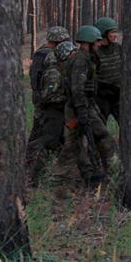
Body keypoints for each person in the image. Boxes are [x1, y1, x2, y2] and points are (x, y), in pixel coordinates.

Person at [64, 25, 119, 187]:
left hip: (81, 106)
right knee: (99, 137)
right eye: (97, 42)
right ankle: (110, 172)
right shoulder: (81, 60)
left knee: (76, 142)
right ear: (89, 42)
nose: (99, 44)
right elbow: (77, 88)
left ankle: (93, 174)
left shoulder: (86, 58)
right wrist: (82, 110)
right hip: (79, 107)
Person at [25, 40, 76, 185]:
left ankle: (59, 175)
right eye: (71, 55)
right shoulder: (53, 73)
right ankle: (36, 177)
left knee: (64, 143)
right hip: (54, 112)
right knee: (49, 143)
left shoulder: (67, 70)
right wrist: (65, 98)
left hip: (63, 112)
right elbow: (47, 96)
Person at [93, 17, 123, 124]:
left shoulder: (118, 48)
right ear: (104, 33)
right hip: (102, 97)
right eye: (113, 32)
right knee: (100, 126)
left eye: (116, 32)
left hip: (118, 95)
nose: (116, 35)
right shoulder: (95, 52)